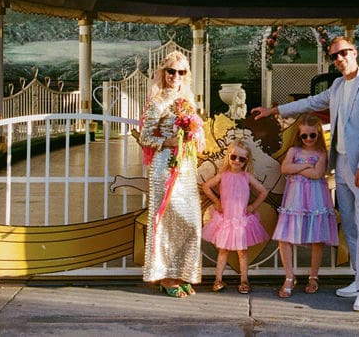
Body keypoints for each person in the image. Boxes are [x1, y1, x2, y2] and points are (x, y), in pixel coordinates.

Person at [252, 36, 359, 312]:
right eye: (334, 55)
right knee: (349, 225)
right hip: (343, 165)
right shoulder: (337, 85)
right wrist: (274, 110)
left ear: (355, 52)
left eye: (343, 53)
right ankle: (358, 279)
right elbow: (311, 102)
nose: (339, 59)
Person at [139, 50, 205, 298]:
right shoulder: (157, 102)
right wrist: (166, 142)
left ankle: (182, 273)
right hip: (164, 166)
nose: (175, 76)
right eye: (171, 71)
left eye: (181, 72)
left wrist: (194, 133)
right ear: (163, 72)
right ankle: (165, 276)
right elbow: (145, 136)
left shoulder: (188, 100)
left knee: (189, 221)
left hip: (186, 167)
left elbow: (197, 132)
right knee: (166, 221)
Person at [271, 112, 338, 298]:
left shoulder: (321, 153)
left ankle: (313, 275)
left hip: (315, 197)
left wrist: (298, 168)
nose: (308, 139)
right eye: (304, 135)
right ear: (298, 136)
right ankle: (289, 276)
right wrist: (306, 167)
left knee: (317, 238)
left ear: (318, 134)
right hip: (295, 198)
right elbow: (285, 168)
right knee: (285, 236)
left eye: (312, 135)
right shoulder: (293, 151)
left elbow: (318, 174)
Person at [201, 138, 270, 294]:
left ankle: (244, 280)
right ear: (228, 157)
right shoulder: (223, 175)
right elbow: (206, 186)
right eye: (233, 157)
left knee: (242, 252)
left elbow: (263, 191)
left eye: (241, 158)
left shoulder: (247, 177)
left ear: (246, 161)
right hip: (225, 219)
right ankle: (218, 280)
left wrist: (253, 206)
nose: (237, 161)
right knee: (223, 251)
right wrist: (216, 200)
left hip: (241, 221)